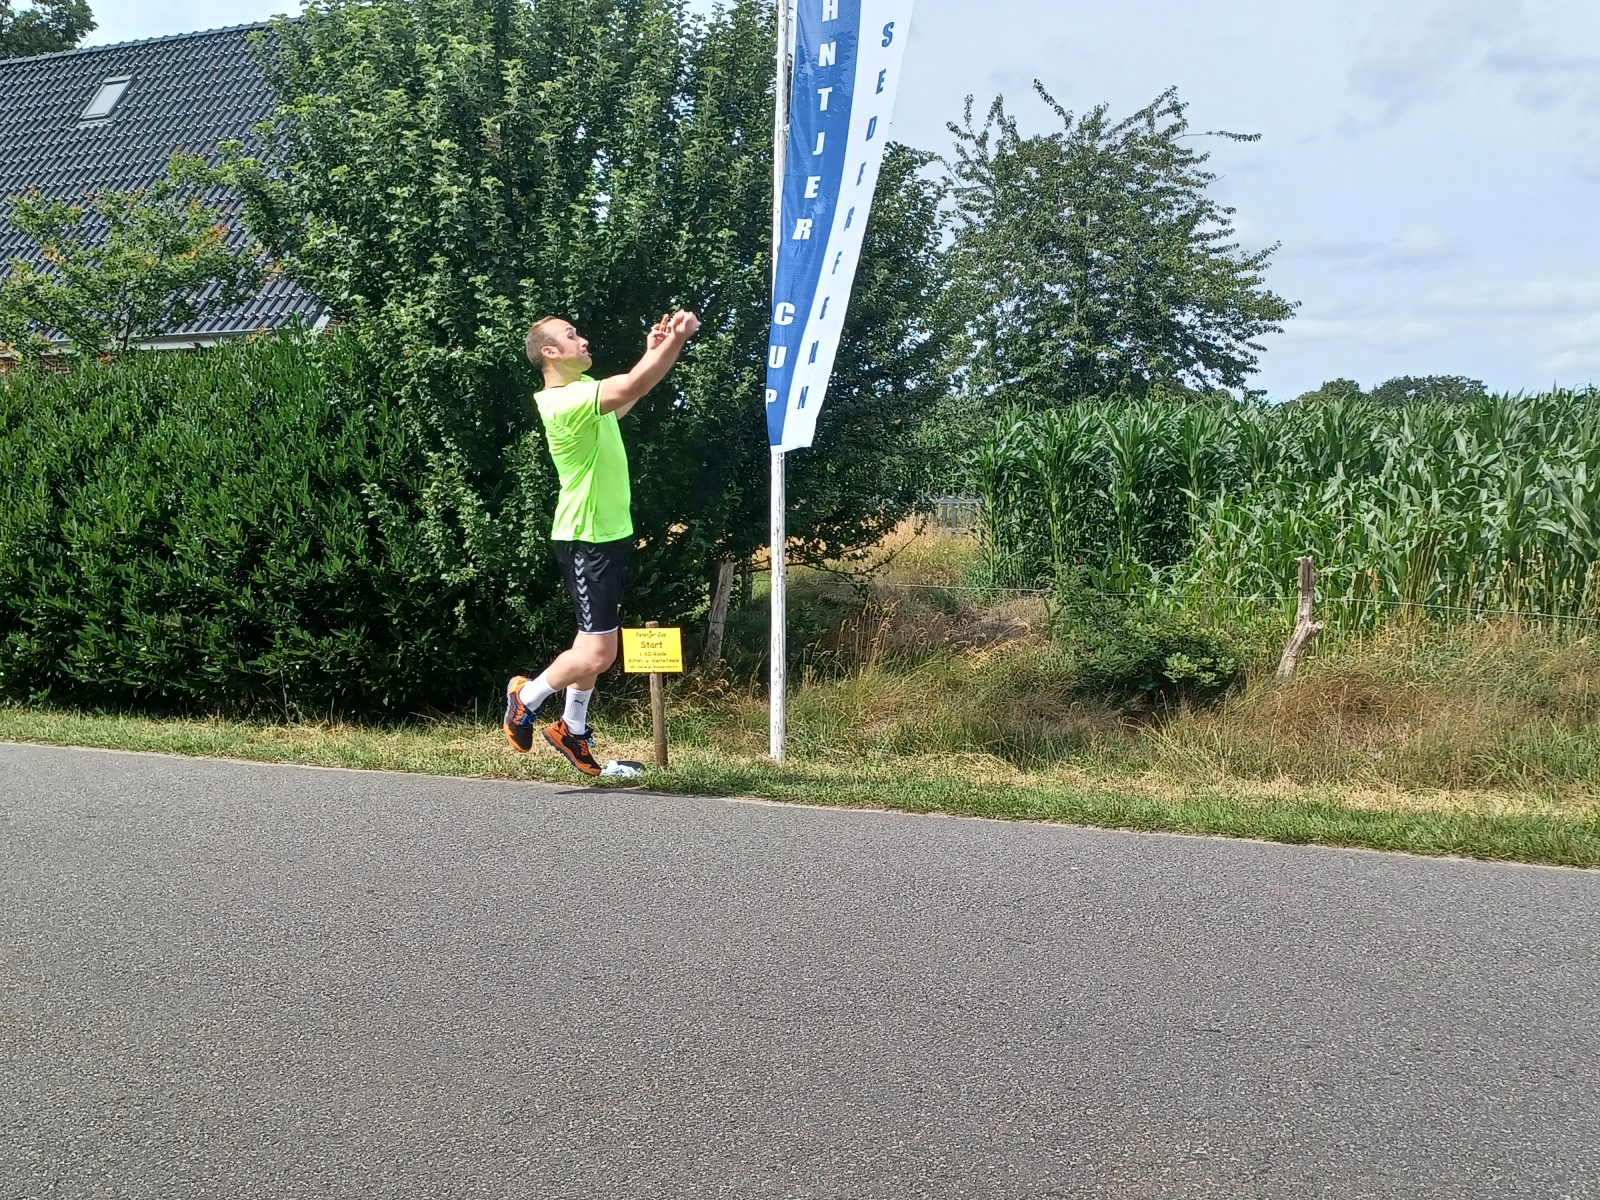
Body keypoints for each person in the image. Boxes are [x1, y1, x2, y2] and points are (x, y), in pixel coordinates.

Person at [503, 309, 701, 774]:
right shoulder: (563, 401)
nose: (584, 339)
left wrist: (654, 352)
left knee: (589, 643)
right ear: (550, 352)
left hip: (607, 536)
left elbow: (630, 394)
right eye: (572, 335)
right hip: (586, 537)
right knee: (599, 653)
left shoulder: (584, 394)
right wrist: (677, 340)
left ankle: (572, 729)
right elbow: (631, 386)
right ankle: (526, 697)